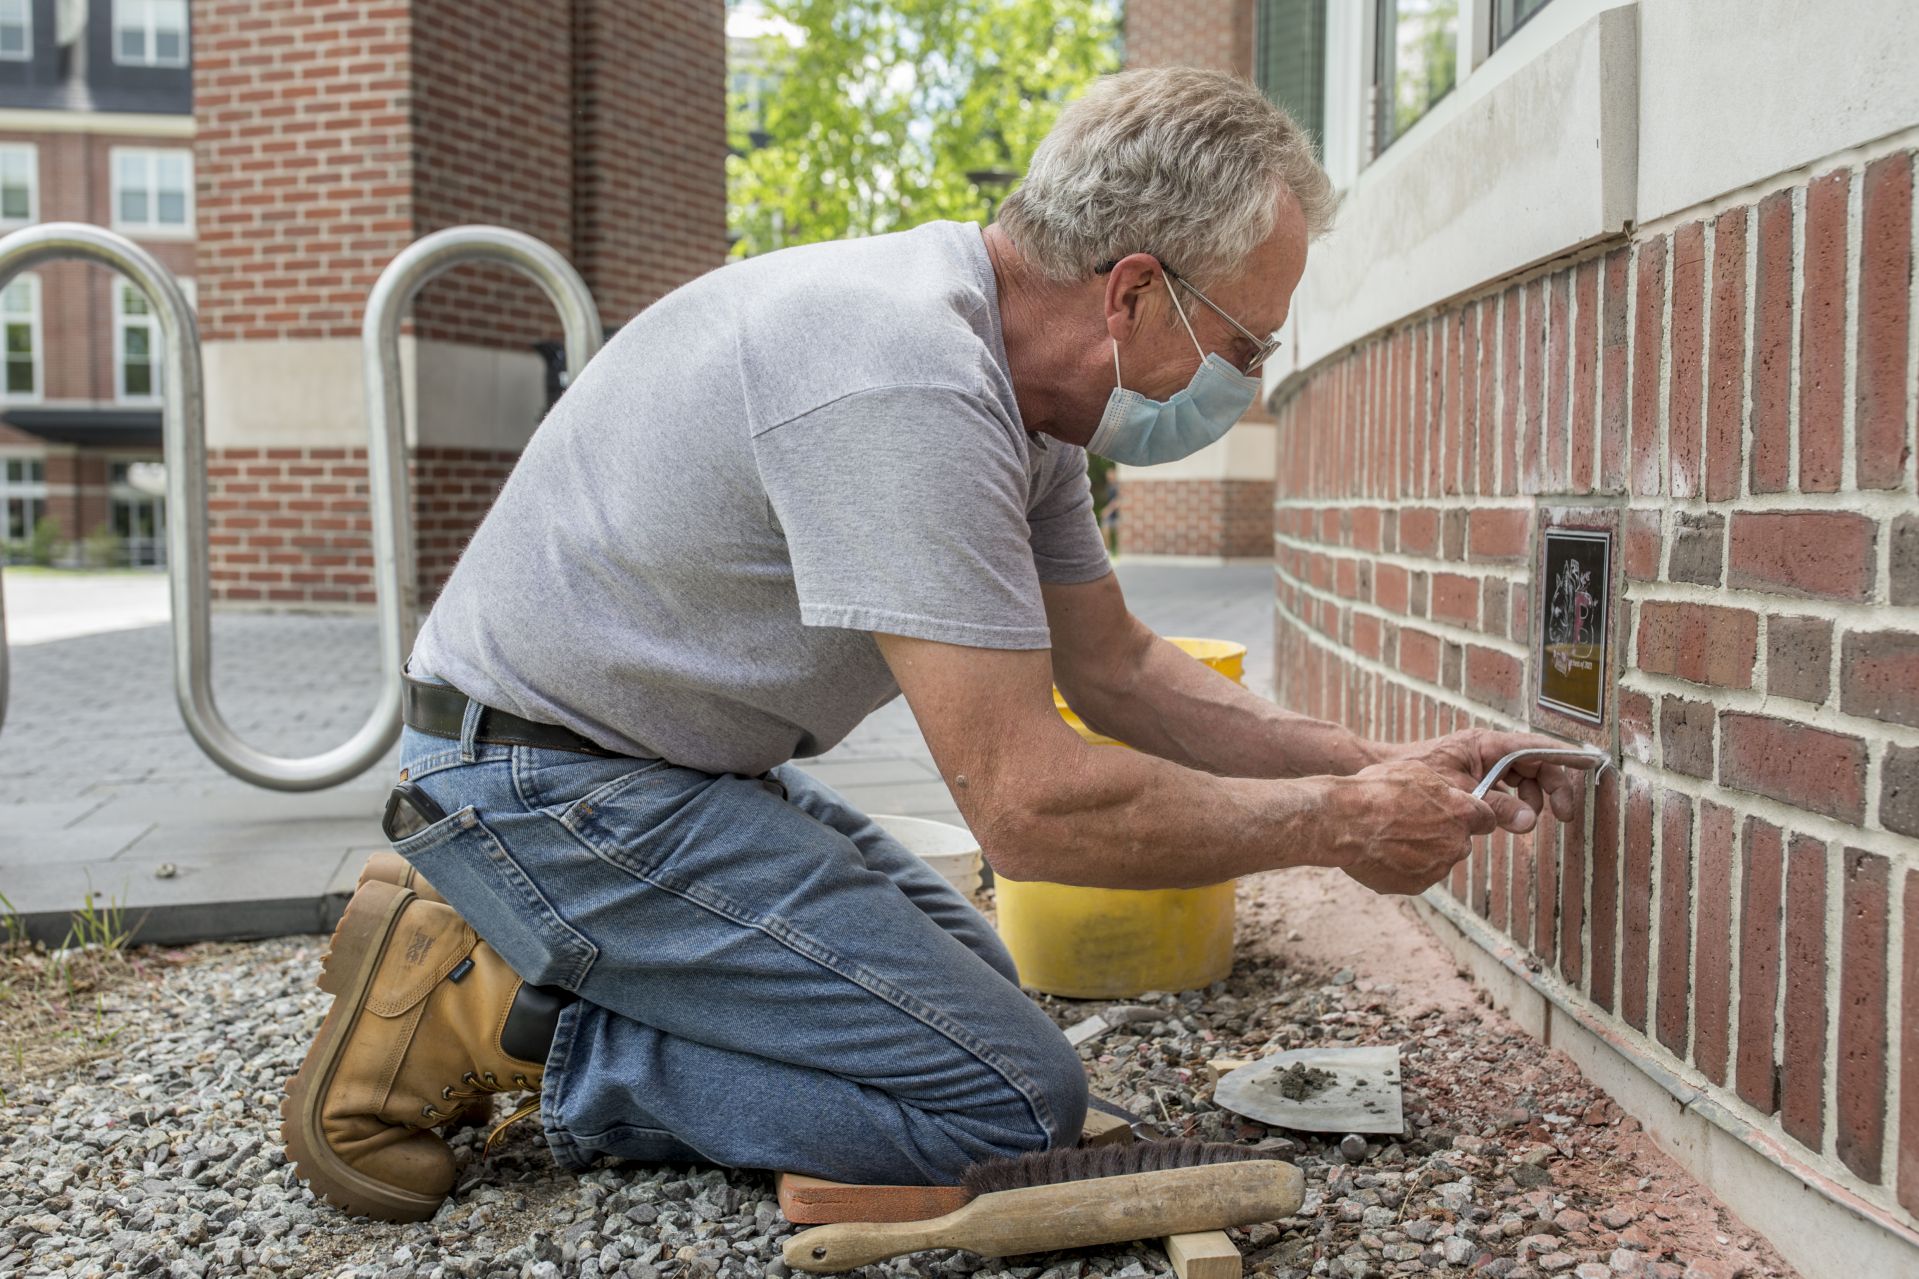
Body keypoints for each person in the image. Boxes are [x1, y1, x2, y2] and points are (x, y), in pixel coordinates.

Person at [278, 67, 1597, 1223]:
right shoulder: (908, 383)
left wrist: (1384, 766)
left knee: (976, 1002)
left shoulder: (1016, 394)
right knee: (1006, 1104)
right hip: (549, 783)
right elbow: (1029, 809)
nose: (1246, 384)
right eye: (1245, 342)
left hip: (657, 774)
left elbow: (1118, 672)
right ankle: (505, 1019)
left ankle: (536, 945)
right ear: (1135, 291)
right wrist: (1337, 826)